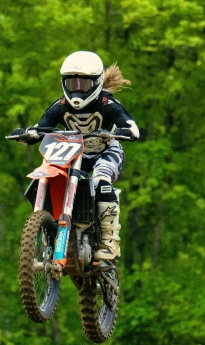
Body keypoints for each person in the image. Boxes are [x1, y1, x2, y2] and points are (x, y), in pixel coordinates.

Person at [10, 51, 139, 261]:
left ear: (96, 83)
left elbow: (131, 126)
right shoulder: (60, 107)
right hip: (75, 154)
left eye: (84, 84)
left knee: (101, 180)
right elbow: (41, 128)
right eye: (73, 84)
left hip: (106, 151)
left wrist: (126, 132)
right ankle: (54, 229)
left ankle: (109, 241)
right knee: (56, 177)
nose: (78, 90)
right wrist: (27, 133)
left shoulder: (107, 104)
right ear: (64, 83)